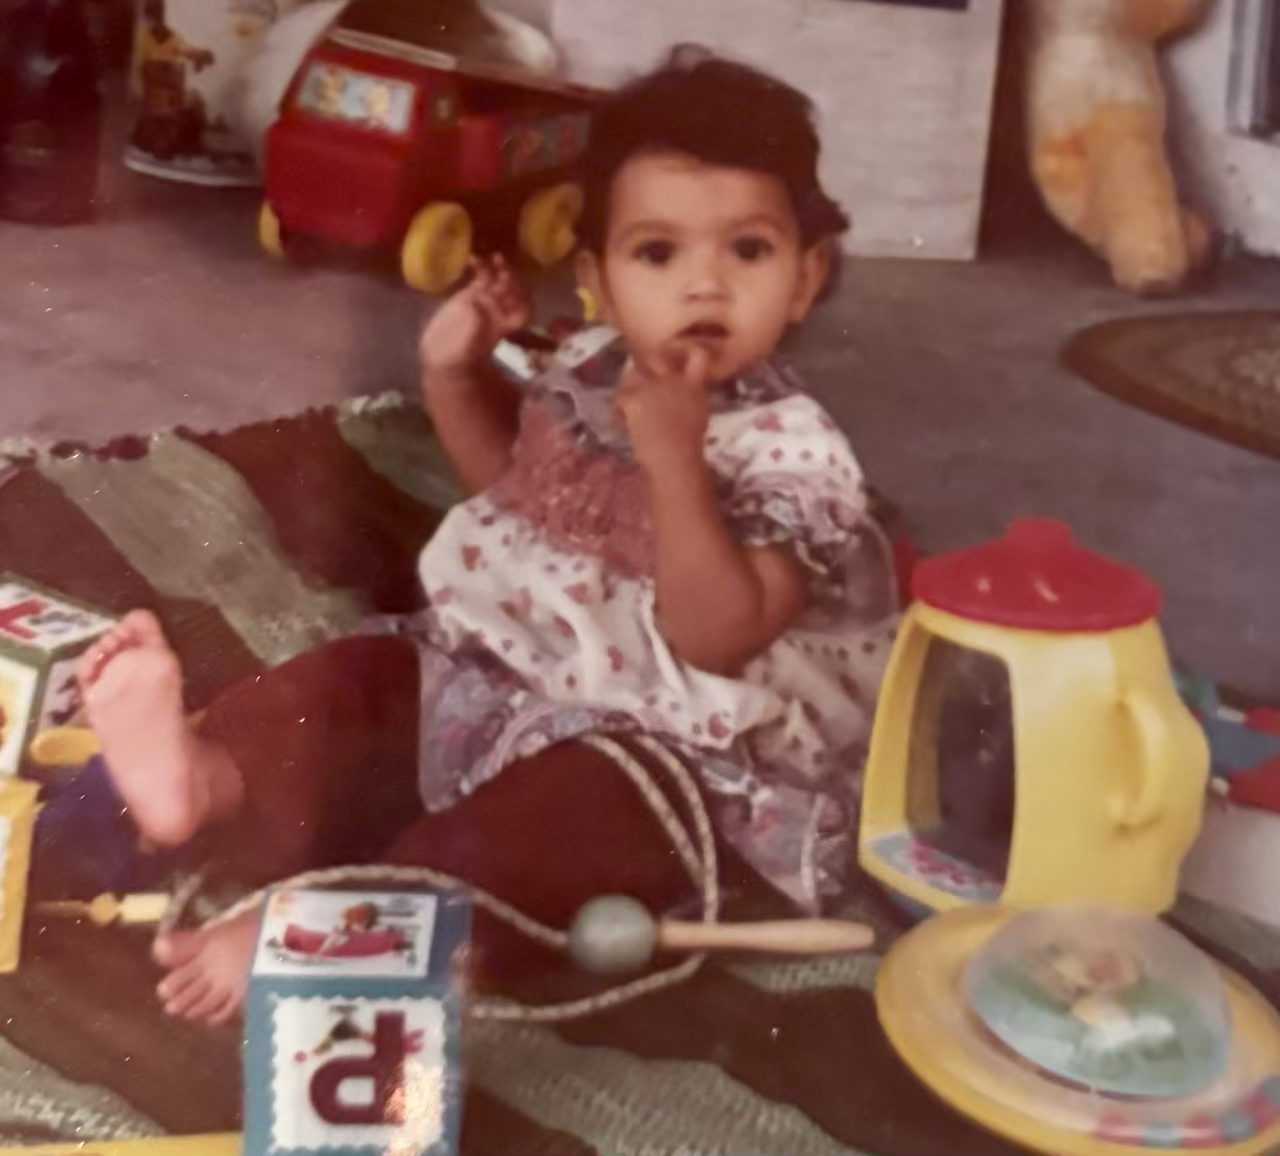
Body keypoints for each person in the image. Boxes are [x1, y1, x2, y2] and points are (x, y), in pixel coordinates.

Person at [73, 56, 898, 1027]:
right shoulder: (592, 368)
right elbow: (520, 500)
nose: (704, 284)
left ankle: (352, 927)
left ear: (804, 277)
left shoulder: (793, 454)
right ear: (594, 279)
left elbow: (716, 634)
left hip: (679, 745)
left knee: (552, 825)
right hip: (510, 678)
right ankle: (206, 780)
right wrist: (452, 377)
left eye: (748, 250)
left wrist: (676, 464)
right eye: (657, 253)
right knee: (367, 682)